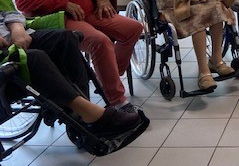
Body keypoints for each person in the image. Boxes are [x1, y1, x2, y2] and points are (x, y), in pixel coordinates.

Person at [0, 12, 144, 139]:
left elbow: (7, 10)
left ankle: (82, 114)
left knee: (66, 37)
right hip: (5, 55)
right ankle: (91, 115)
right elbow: (27, 2)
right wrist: (65, 4)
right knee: (36, 57)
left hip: (16, 36)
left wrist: (17, 27)